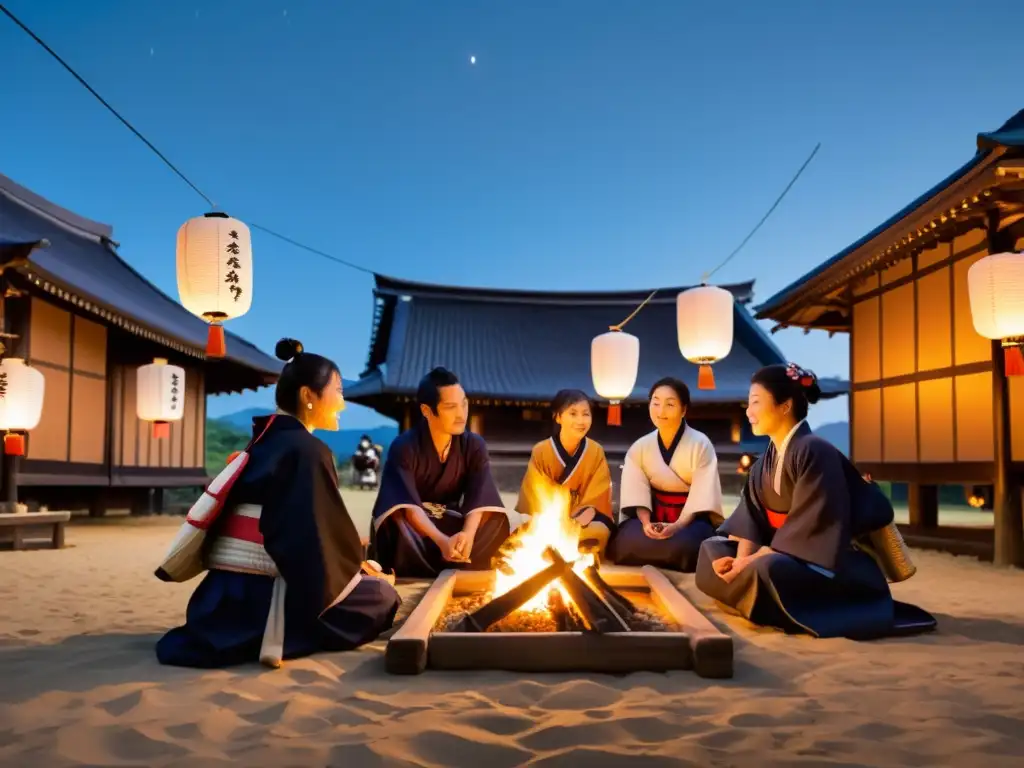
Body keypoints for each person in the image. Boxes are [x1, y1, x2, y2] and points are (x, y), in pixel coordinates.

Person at [156, 338, 401, 668]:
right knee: (382, 596)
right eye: (338, 391)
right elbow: (308, 544)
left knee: (367, 578)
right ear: (307, 396)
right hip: (264, 596)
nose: (343, 403)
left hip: (219, 596)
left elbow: (305, 532)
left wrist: (353, 563)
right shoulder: (308, 451)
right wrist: (361, 573)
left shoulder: (264, 441)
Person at [695, 363, 937, 639]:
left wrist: (749, 563)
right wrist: (740, 561)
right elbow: (751, 520)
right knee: (710, 550)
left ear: (785, 406)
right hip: (782, 552)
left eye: (755, 402)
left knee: (766, 568)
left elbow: (809, 529)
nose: (748, 412)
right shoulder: (765, 462)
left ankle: (762, 599)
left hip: (826, 562)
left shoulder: (815, 451)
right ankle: (752, 595)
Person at [370, 367, 512, 577]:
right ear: (427, 411)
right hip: (418, 527)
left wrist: (467, 535)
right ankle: (445, 563)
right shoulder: (405, 446)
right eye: (450, 407)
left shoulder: (473, 445)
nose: (461, 414)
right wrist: (442, 541)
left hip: (453, 521)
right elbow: (406, 505)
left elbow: (480, 498)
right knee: (395, 523)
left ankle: (462, 555)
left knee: (495, 520)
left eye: (463, 404)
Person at [607, 377, 724, 572]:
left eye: (670, 404)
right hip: (652, 516)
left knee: (687, 547)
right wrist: (646, 523)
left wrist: (677, 526)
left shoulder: (700, 444)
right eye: (655, 402)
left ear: (683, 409)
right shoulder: (640, 447)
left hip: (689, 520)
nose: (661, 411)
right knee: (625, 542)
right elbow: (637, 492)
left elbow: (701, 495)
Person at [516, 389, 614, 553]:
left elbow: (597, 499)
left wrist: (575, 523)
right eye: (573, 413)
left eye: (586, 414)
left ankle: (556, 549)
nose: (580, 420)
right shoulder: (541, 451)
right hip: (545, 520)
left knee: (600, 531)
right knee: (522, 528)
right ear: (558, 417)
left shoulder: (596, 451)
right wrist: (557, 522)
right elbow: (533, 496)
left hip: (582, 523)